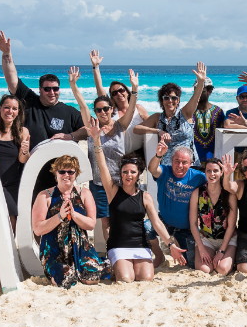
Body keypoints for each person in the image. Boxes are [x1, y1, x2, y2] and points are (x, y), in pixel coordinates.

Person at [0, 30, 85, 195]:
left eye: (55, 89)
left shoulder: (69, 111)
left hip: (61, 174)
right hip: (30, 170)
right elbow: (11, 78)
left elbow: (87, 130)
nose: (52, 92)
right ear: (40, 90)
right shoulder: (29, 101)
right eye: (47, 89)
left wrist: (70, 136)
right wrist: (7, 54)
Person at [97, 150, 187, 283]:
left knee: (145, 278)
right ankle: (116, 266)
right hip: (118, 244)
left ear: (139, 174)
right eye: (125, 172)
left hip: (140, 244)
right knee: (126, 278)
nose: (129, 175)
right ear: (120, 174)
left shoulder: (145, 197)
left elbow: (156, 223)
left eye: (133, 172)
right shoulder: (113, 191)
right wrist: (96, 140)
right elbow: (102, 166)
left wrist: (171, 244)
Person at [71, 65, 139, 228]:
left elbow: (130, 108)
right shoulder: (92, 127)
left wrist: (134, 89)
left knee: (123, 218)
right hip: (99, 183)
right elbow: (82, 106)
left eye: (106, 109)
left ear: (112, 109)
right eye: (99, 110)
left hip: (122, 181)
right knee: (106, 222)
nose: (103, 112)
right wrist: (73, 85)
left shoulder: (120, 125)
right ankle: (110, 252)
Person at [30, 155, 103, 288]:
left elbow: (91, 224)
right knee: (66, 280)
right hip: (54, 249)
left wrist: (74, 215)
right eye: (62, 171)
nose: (66, 175)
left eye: (70, 172)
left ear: (76, 174)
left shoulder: (84, 193)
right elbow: (38, 229)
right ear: (55, 173)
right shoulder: (45, 195)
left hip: (80, 246)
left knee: (92, 278)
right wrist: (60, 216)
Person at [135, 63, 208, 168]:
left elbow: (196, 98)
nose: (170, 101)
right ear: (162, 100)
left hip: (189, 165)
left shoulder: (185, 113)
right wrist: (158, 131)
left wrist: (201, 83)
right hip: (168, 167)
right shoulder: (157, 117)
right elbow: (136, 129)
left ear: (178, 100)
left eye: (174, 98)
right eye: (166, 98)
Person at [147, 142, 208, 268]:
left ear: (191, 163)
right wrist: (158, 156)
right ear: (171, 161)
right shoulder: (165, 171)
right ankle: (159, 255)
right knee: (145, 229)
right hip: (164, 221)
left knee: (189, 263)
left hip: (186, 228)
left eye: (184, 162)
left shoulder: (199, 177)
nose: (180, 165)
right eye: (176, 161)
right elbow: (152, 169)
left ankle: (177, 243)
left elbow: (215, 185)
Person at [0, 94, 31, 221]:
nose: (10, 111)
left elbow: (22, 160)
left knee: (11, 222)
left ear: (18, 112)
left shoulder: (22, 132)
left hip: (11, 184)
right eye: (7, 107)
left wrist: (25, 151)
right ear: (0, 108)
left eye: (14, 109)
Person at [90, 50, 150, 154]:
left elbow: (151, 123)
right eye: (114, 93)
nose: (118, 94)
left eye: (121, 90)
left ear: (127, 92)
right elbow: (99, 88)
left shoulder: (138, 108)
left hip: (137, 154)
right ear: (111, 97)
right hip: (117, 153)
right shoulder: (111, 110)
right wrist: (96, 67)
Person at [188, 158, 238, 275]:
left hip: (227, 239)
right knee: (204, 269)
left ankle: (229, 256)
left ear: (221, 172)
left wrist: (221, 251)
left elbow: (231, 226)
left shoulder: (229, 195)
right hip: (207, 239)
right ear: (205, 172)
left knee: (222, 269)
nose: (212, 174)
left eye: (215, 171)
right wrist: (201, 248)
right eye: (209, 171)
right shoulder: (197, 193)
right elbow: (193, 224)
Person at [192, 78, 226, 162]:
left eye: (201, 91)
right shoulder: (188, 111)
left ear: (209, 91)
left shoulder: (218, 112)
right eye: (196, 90)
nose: (198, 93)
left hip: (213, 161)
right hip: (192, 161)